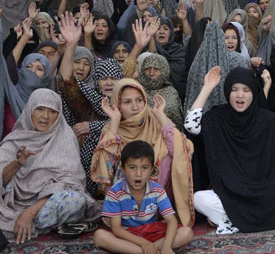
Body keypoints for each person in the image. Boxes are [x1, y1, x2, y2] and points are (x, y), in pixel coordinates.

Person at [186, 67, 275, 234]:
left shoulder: (266, 119)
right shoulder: (217, 117)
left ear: (253, 92)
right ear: (227, 91)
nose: (240, 95)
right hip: (229, 190)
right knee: (198, 199)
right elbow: (190, 126)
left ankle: (230, 220)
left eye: (246, 90)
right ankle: (258, 219)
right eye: (234, 90)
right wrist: (207, 88)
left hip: (261, 189)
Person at [91, 79, 195, 227]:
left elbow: (180, 151)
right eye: (127, 102)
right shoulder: (111, 128)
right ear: (117, 104)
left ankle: (158, 214)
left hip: (159, 198)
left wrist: (160, 115)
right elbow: (106, 168)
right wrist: (114, 121)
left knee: (168, 155)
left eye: (139, 100)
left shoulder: (155, 121)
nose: (135, 107)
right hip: (125, 202)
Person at [0, 89, 99, 242]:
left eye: (52, 111)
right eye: (40, 109)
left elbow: (71, 183)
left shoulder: (65, 138)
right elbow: (2, 179)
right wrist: (17, 164)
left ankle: (22, 226)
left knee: (74, 201)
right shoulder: (15, 140)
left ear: (58, 115)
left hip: (45, 206)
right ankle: (31, 226)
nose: (45, 117)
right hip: (12, 205)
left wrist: (29, 213)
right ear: (30, 110)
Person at [93, 141, 194, 254]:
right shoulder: (115, 192)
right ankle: (146, 251)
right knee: (99, 236)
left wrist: (166, 245)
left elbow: (171, 221)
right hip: (128, 236)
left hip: (153, 232)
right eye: (132, 167)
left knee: (187, 232)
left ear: (152, 169)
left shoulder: (158, 190)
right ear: (123, 169)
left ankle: (149, 250)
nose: (138, 173)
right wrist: (143, 243)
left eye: (145, 168)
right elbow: (116, 229)